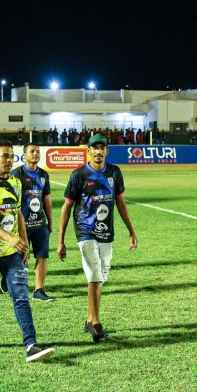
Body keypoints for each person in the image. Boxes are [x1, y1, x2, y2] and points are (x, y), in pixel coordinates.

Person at [0, 140, 54, 362]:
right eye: (5, 156)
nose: (10, 160)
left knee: (21, 297)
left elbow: (18, 213)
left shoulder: (15, 181)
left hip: (12, 253)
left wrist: (22, 242)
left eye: (12, 156)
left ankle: (31, 344)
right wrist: (10, 238)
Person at [56, 133, 139, 342]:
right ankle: (96, 323)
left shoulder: (115, 172)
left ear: (107, 151)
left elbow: (120, 203)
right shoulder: (78, 175)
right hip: (85, 231)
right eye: (95, 148)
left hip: (106, 232)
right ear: (89, 151)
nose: (98, 151)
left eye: (102, 148)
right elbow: (66, 207)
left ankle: (89, 319)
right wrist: (61, 240)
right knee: (94, 274)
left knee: (100, 277)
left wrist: (131, 231)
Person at [11, 142, 54, 301]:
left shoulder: (44, 175)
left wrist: (50, 222)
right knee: (19, 258)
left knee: (42, 256)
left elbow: (47, 200)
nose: (35, 154)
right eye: (32, 151)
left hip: (40, 224)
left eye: (37, 151)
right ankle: (12, 282)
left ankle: (38, 290)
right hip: (22, 225)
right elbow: (12, 201)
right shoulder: (16, 174)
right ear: (24, 155)